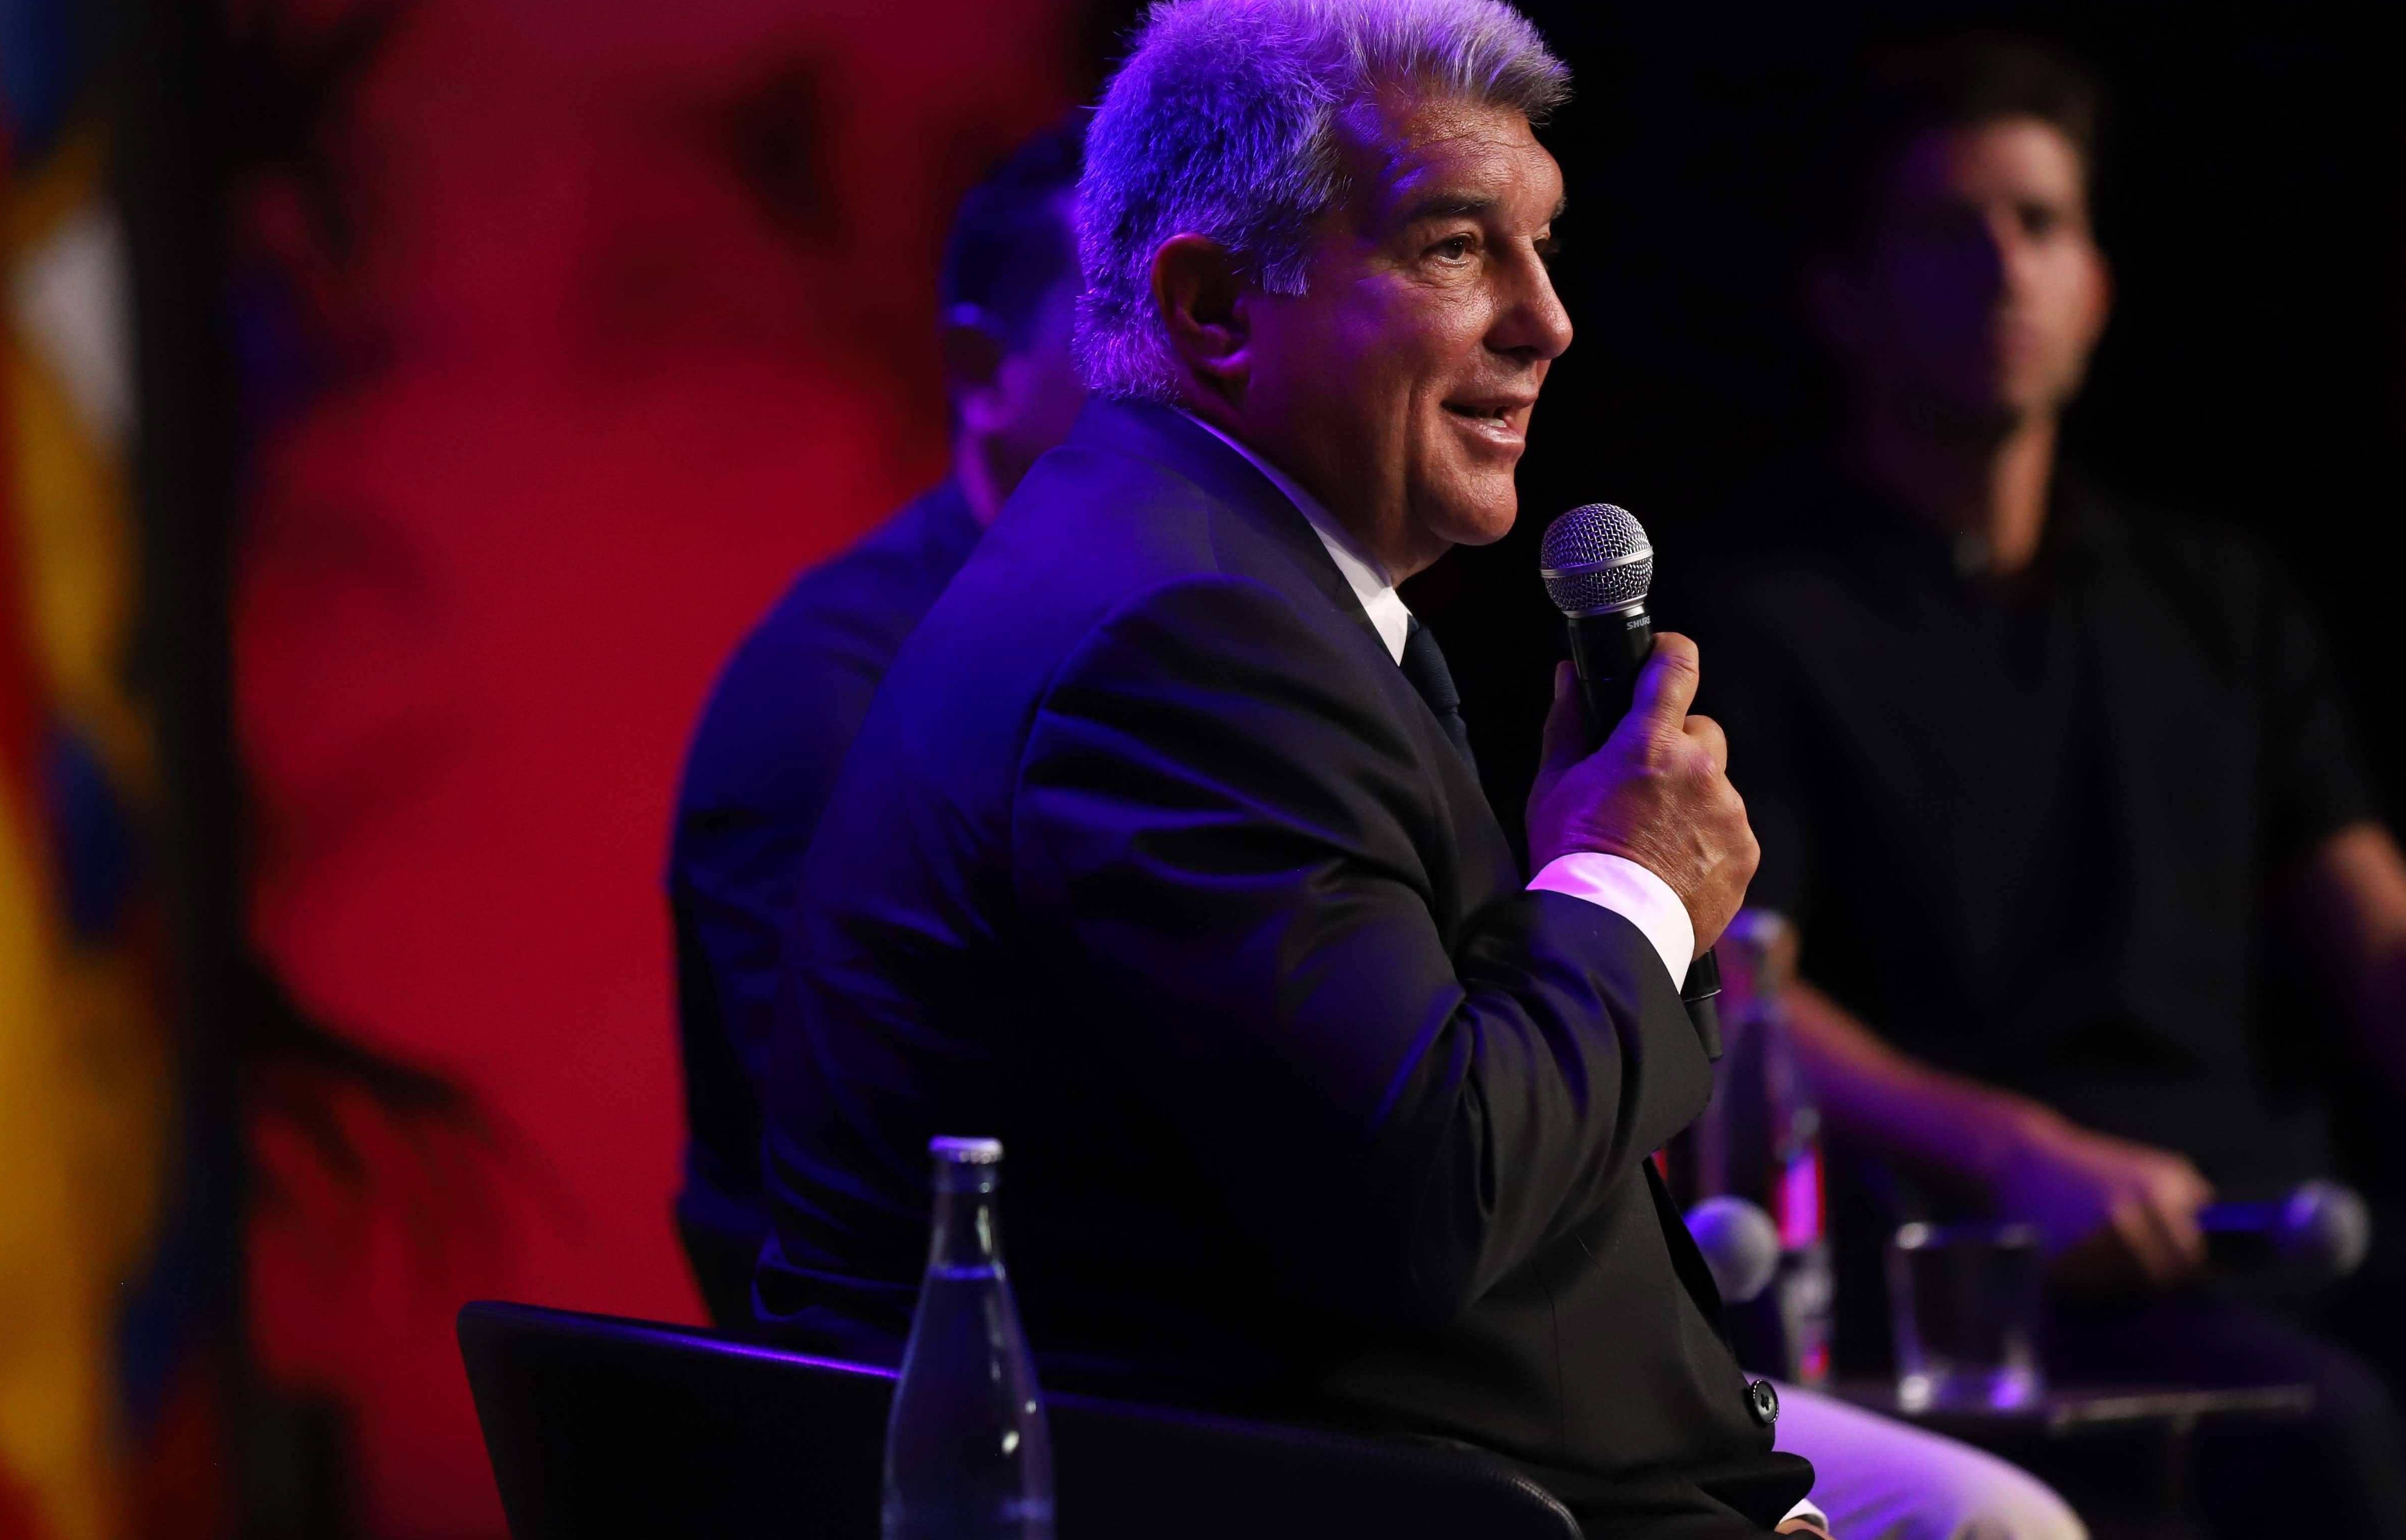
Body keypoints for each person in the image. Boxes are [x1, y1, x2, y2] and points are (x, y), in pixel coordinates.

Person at [676, 91, 2080, 1540]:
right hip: (1358, 1476)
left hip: (1487, 1435)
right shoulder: (1184, 638)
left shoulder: (1245, 583)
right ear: (1218, 307)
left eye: (1544, 246)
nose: (1549, 322)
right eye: (1458, 248)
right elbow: (1430, 1205)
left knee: (1983, 1514)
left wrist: (1604, 894)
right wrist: (1627, 887)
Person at [1692, 34, 2406, 1538]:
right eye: (1945, 229)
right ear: (1841, 299)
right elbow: (1740, 978)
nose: (2004, 267)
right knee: (2332, 1453)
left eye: (2043, 224)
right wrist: (2017, 1151)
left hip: (2276, 1225)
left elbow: (2394, 939)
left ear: (2097, 283)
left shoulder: (2211, 598)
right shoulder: (1767, 608)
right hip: (1991, 1263)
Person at [668, 117, 1090, 1316]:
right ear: (981, 367)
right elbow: (873, 1161)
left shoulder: (1187, 639)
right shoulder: (832, 697)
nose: (1190, 376)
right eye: (1121, 323)